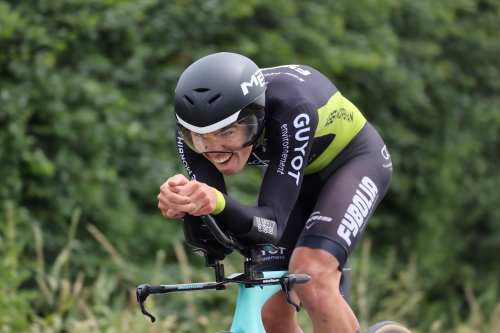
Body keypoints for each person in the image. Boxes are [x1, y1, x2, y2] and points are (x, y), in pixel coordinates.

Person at [157, 52, 392, 333]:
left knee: (312, 273)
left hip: (353, 162)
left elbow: (270, 224)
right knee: (269, 308)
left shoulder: (291, 109)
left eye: (227, 133)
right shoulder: (193, 136)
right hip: (293, 167)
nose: (213, 149)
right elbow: (221, 227)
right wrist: (188, 205)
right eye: (201, 137)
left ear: (254, 120)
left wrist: (215, 202)